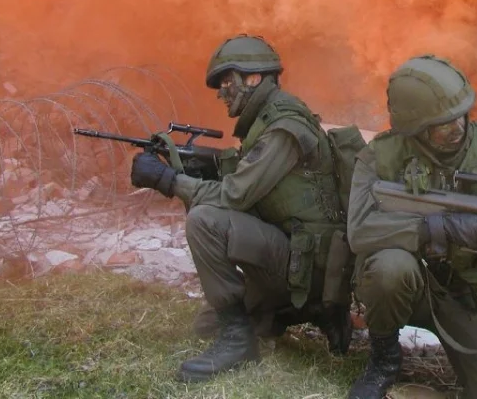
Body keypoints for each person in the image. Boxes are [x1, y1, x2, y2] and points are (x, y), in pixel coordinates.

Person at [129, 34, 353, 382]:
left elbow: (235, 196)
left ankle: (239, 341)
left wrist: (169, 181)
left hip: (307, 263)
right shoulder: (266, 122)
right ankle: (317, 310)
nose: (221, 92)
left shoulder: (284, 126)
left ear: (254, 78)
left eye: (227, 82)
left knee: (205, 221)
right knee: (205, 325)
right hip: (297, 254)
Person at [346, 55, 477, 399]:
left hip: (462, 289)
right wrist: (436, 229)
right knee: (390, 268)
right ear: (415, 127)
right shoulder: (380, 158)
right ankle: (384, 358)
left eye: (462, 116)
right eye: (443, 124)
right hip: (405, 283)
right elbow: (359, 231)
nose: (457, 129)